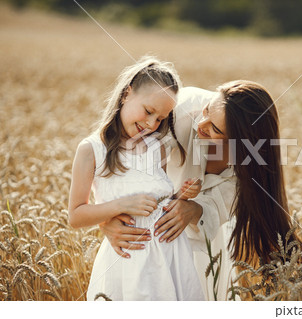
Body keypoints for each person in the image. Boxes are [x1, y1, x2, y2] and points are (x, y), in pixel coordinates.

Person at [100, 80, 302, 300]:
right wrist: (106, 219)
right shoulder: (179, 109)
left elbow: (226, 202)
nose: (201, 123)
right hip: (143, 236)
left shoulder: (252, 159)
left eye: (215, 129)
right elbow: (117, 154)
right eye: (207, 110)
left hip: (208, 246)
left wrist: (194, 210)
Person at [68, 55, 205, 300]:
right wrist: (120, 206)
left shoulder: (158, 148)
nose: (152, 124)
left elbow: (158, 200)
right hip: (128, 261)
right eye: (148, 111)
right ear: (126, 94)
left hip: (172, 257)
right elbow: (76, 215)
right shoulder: (91, 150)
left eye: (161, 119)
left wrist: (180, 196)